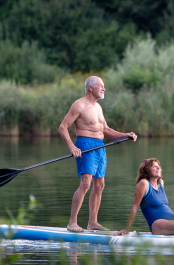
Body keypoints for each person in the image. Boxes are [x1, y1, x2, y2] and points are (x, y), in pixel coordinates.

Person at [58, 76, 137, 232]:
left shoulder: (98, 107)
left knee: (99, 185)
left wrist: (125, 135)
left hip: (100, 147)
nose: (103, 88)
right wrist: (72, 147)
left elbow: (106, 130)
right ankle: (72, 223)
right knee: (86, 184)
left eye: (104, 86)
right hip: (85, 145)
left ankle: (92, 222)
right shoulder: (79, 105)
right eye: (100, 86)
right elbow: (62, 127)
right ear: (90, 88)